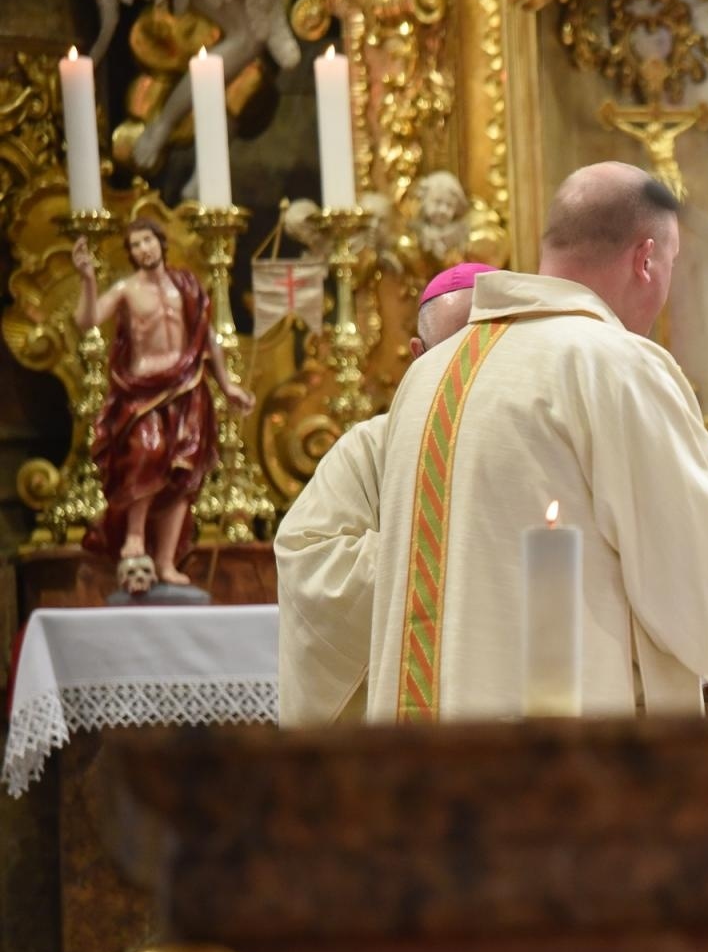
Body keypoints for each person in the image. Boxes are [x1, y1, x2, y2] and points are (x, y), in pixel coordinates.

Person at [369, 161, 708, 721]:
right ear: (646, 259)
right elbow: (703, 555)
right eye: (672, 263)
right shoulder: (608, 361)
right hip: (554, 758)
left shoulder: (429, 373)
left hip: (425, 750)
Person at [274, 262, 496, 726]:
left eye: (485, 354)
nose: (468, 373)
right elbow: (309, 559)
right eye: (452, 355)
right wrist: (450, 561)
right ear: (418, 354)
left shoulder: (538, 443)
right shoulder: (370, 449)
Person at [73, 218, 255, 594]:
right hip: (142, 391)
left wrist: (227, 385)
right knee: (145, 454)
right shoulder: (126, 290)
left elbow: (207, 340)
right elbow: (86, 319)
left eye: (148, 240)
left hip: (188, 388)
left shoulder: (185, 287)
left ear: (160, 242)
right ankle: (134, 538)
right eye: (136, 244)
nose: (144, 249)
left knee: (183, 474)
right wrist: (88, 279)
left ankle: (166, 561)